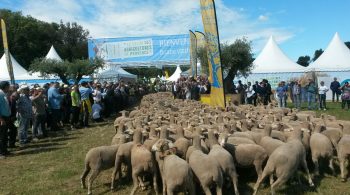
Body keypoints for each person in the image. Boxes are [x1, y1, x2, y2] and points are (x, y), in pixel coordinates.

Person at [0, 81, 11, 159]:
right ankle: (1, 153)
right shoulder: (0, 94)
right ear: (5, 87)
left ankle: (4, 150)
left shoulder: (3, 94)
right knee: (1, 136)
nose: (9, 88)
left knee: (4, 135)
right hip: (2, 117)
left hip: (6, 117)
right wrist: (1, 119)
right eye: (8, 86)